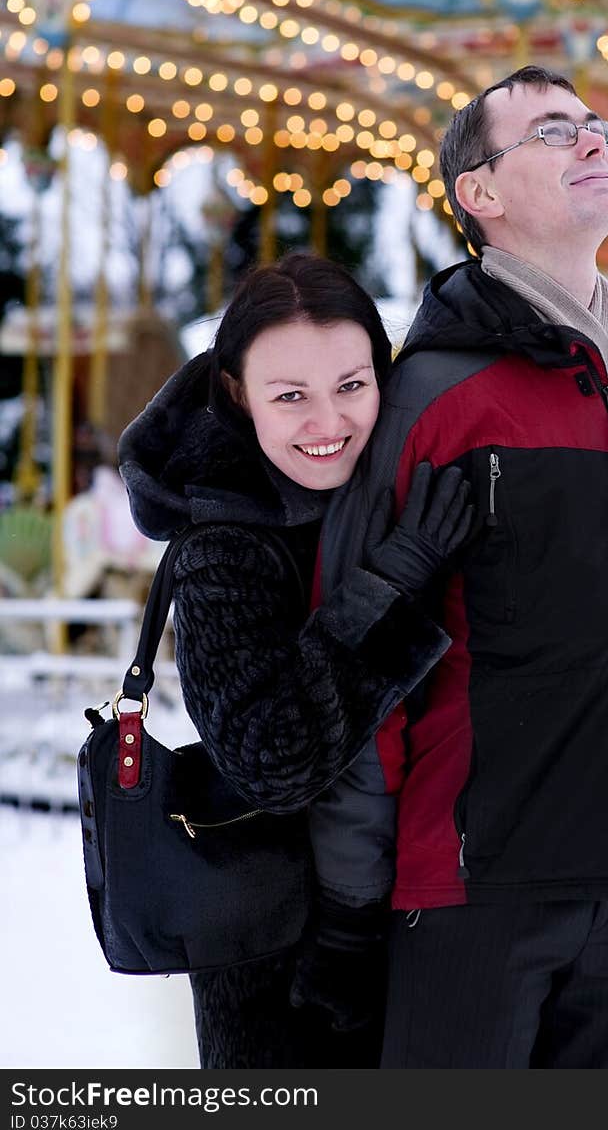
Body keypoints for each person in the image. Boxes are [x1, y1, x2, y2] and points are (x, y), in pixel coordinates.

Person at [313, 65, 608, 1069]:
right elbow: (358, 656)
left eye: (595, 126)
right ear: (479, 194)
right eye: (551, 130)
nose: (595, 142)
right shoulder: (434, 400)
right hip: (472, 890)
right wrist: (349, 901)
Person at [117, 251, 471, 1069]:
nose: (328, 423)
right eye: (291, 397)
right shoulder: (221, 544)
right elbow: (272, 759)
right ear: (238, 394)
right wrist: (395, 580)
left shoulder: (385, 486)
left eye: (352, 386)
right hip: (278, 963)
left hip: (423, 924)